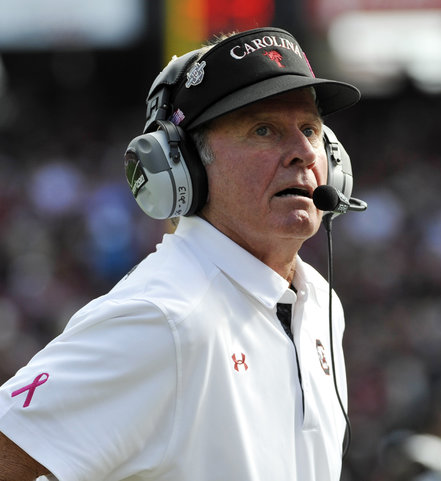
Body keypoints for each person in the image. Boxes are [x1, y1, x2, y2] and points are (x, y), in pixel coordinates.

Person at [0, 26, 361, 481]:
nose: (303, 153)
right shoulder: (161, 316)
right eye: (264, 130)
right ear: (182, 164)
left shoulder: (322, 303)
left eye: (309, 128)